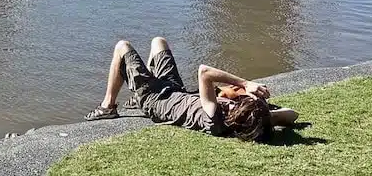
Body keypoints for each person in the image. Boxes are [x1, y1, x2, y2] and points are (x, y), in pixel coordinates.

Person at [84, 37, 298, 141]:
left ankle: (108, 106)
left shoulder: (214, 118)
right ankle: (136, 93)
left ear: (235, 112)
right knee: (159, 42)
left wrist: (245, 84)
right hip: (174, 90)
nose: (235, 101)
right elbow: (292, 115)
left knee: (122, 47)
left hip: (156, 100)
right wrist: (267, 115)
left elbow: (204, 72)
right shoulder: (249, 121)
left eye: (237, 103)